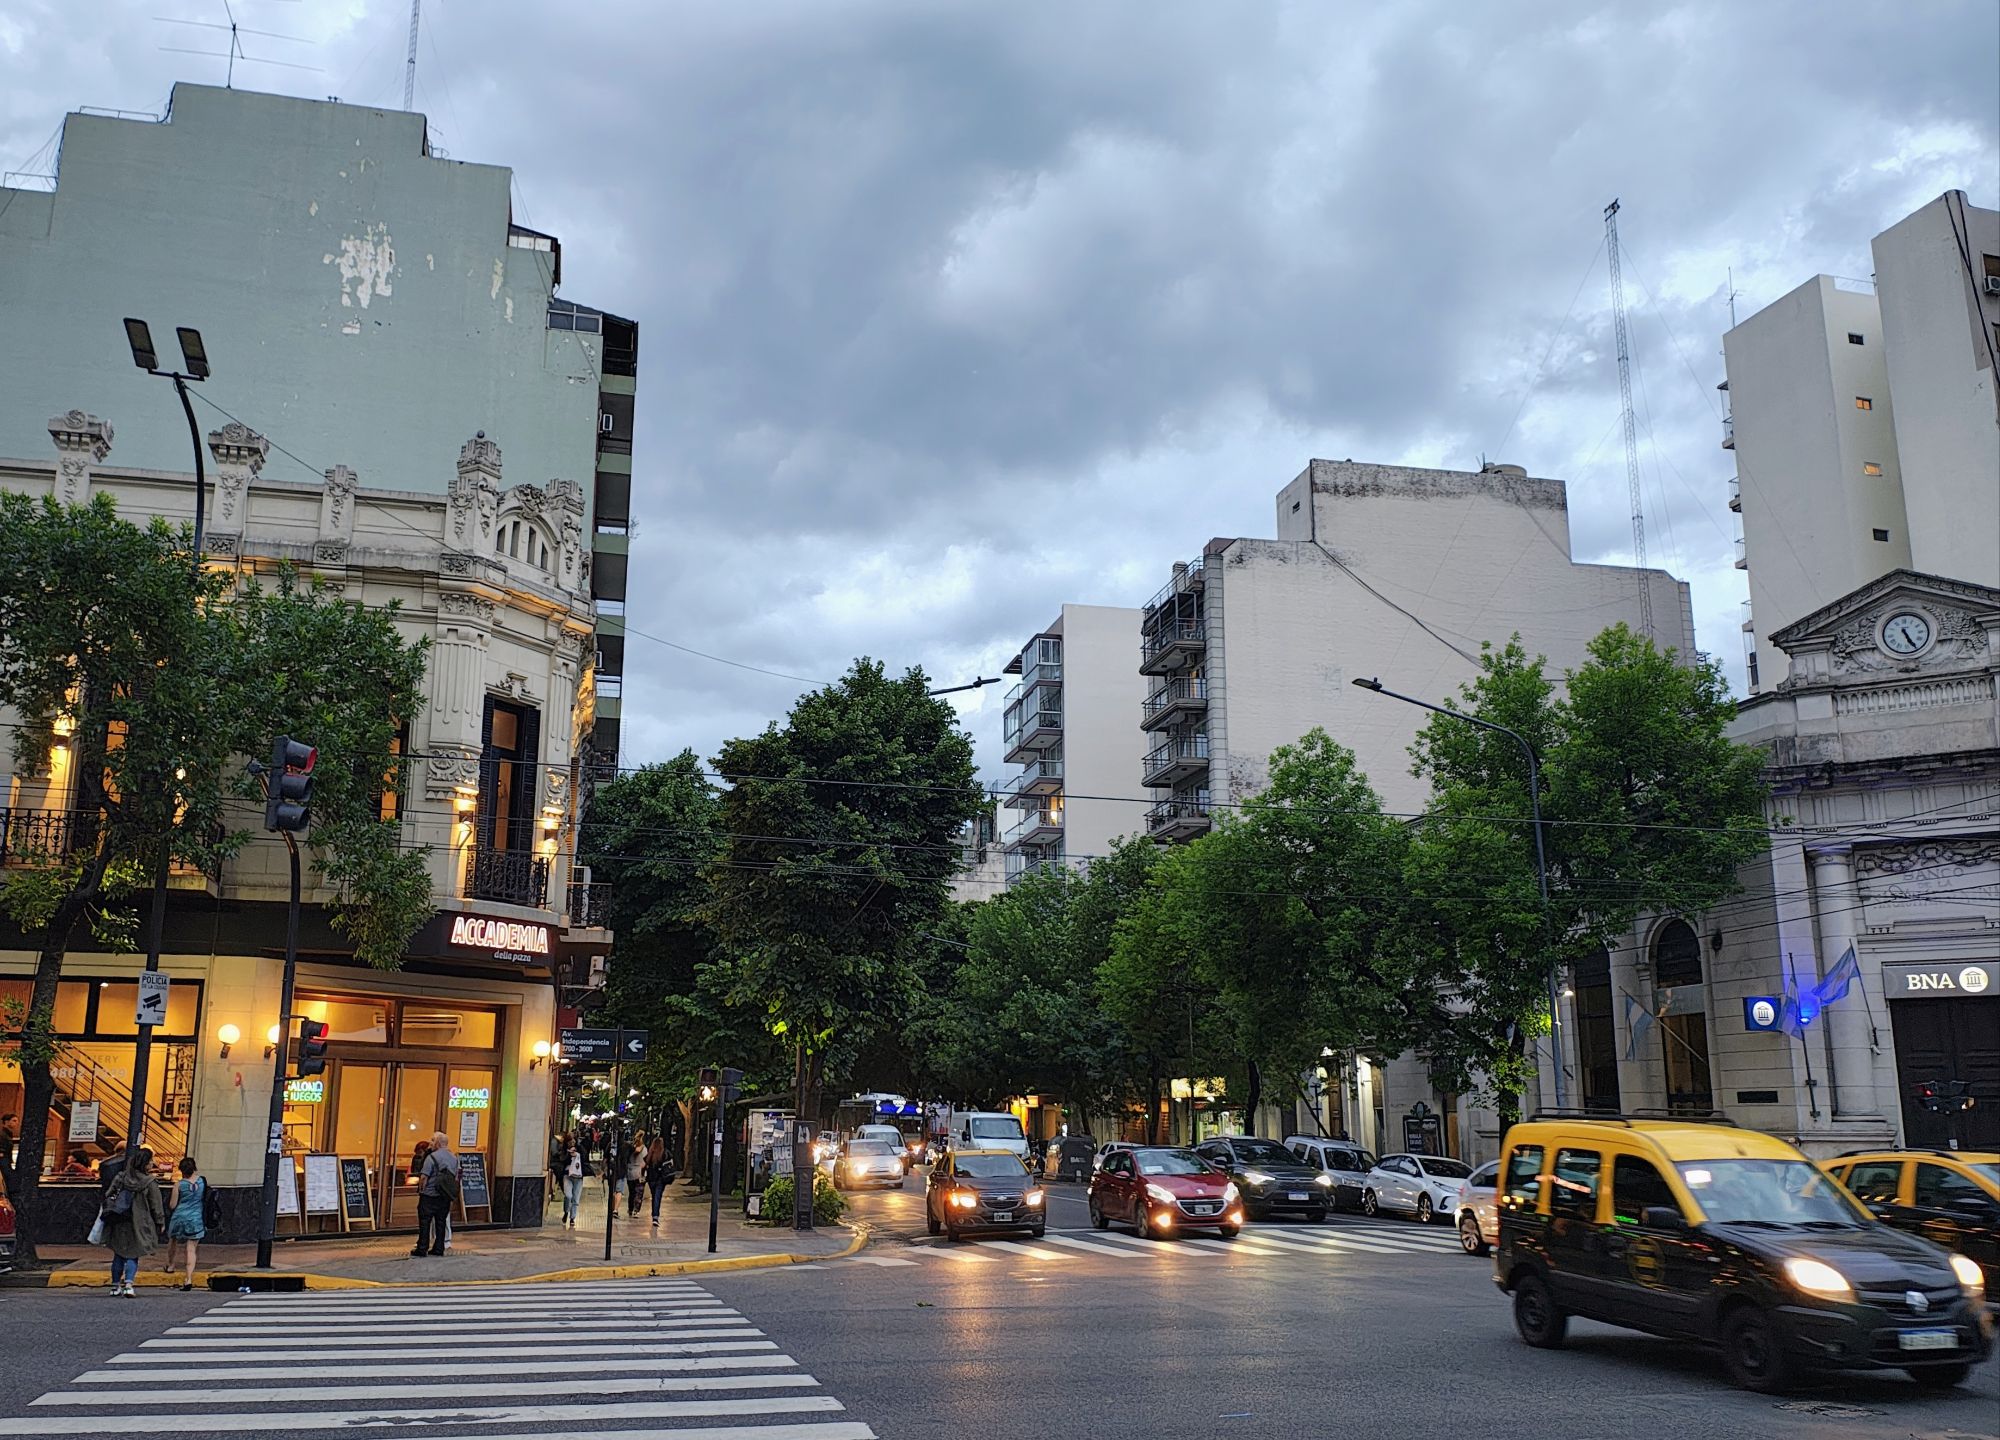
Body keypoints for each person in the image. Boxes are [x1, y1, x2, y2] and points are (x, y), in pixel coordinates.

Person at [99, 1147, 164, 1296]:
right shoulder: (149, 1182)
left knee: (118, 1253)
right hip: (139, 1222)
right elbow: (156, 1205)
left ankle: (115, 1286)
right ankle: (128, 1283)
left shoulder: (120, 1177)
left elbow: (109, 1194)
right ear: (146, 1164)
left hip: (118, 1219)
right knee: (133, 1254)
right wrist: (160, 1222)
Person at [411, 1130, 458, 1259]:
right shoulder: (454, 1158)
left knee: (425, 1222)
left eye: (432, 1140)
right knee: (441, 1222)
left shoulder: (431, 1157)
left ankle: (422, 1248)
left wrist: (421, 1190)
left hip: (429, 1195)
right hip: (444, 1196)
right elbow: (455, 1177)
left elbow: (424, 1177)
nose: (430, 1143)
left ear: (437, 1143)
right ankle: (439, 1248)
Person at [163, 1156, 207, 1292]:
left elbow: (172, 1205)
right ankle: (188, 1278)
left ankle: (170, 1265)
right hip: (195, 1218)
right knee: (191, 1249)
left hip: (179, 1217)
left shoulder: (179, 1185)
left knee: (173, 1240)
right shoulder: (202, 1182)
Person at [644, 1135, 675, 1227]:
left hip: (651, 1178)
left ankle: (654, 1214)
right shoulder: (665, 1153)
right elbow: (671, 1164)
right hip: (661, 1178)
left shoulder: (650, 1154)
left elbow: (646, 1164)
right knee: (657, 1196)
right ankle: (655, 1216)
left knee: (654, 1196)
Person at [562, 1136, 587, 1228]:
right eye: (569, 1141)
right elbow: (562, 1160)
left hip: (579, 1177)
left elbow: (585, 1159)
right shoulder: (564, 1150)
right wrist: (569, 1155)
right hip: (567, 1176)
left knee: (576, 1199)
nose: (572, 1142)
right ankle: (566, 1212)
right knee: (568, 1195)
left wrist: (577, 1154)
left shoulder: (581, 1149)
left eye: (573, 1140)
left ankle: (572, 1218)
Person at [625, 1135, 647, 1218]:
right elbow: (645, 1161)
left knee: (631, 1192)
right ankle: (636, 1210)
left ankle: (630, 1209)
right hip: (639, 1173)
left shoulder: (631, 1149)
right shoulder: (644, 1149)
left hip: (630, 1172)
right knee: (639, 1193)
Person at [547, 1131, 566, 1202]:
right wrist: (561, 1152)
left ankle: (556, 1192)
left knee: (558, 1179)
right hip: (555, 1163)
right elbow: (554, 1152)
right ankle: (563, 1193)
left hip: (555, 1163)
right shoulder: (554, 1141)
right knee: (560, 1177)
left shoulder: (555, 1141)